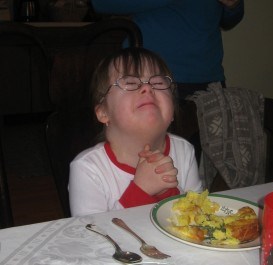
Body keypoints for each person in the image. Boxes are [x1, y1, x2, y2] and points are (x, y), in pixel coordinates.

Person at [68, 47, 203, 216]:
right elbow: (92, 236)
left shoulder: (184, 151)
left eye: (158, 83)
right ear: (103, 112)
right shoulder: (88, 169)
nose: (147, 88)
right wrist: (141, 191)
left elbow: (199, 218)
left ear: (172, 113)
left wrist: (166, 192)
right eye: (131, 83)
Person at [90, 0, 244, 98]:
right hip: (148, 76)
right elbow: (102, 3)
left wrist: (233, 5)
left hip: (208, 77)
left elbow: (230, 18)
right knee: (144, 146)